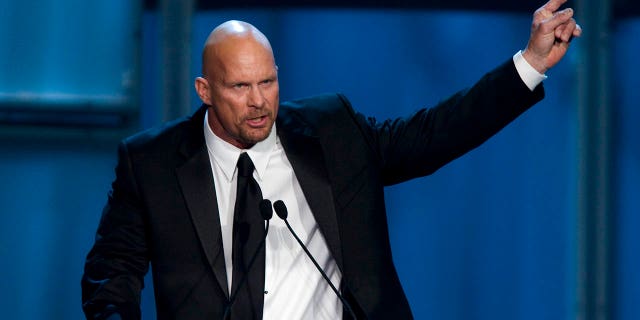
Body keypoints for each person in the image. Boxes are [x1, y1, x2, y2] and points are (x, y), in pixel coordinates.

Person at [81, 0, 581, 319]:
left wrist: (531, 63)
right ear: (204, 91)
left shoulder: (331, 131)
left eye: (268, 82)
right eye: (239, 87)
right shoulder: (151, 163)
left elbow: (435, 135)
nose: (259, 102)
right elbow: (111, 277)